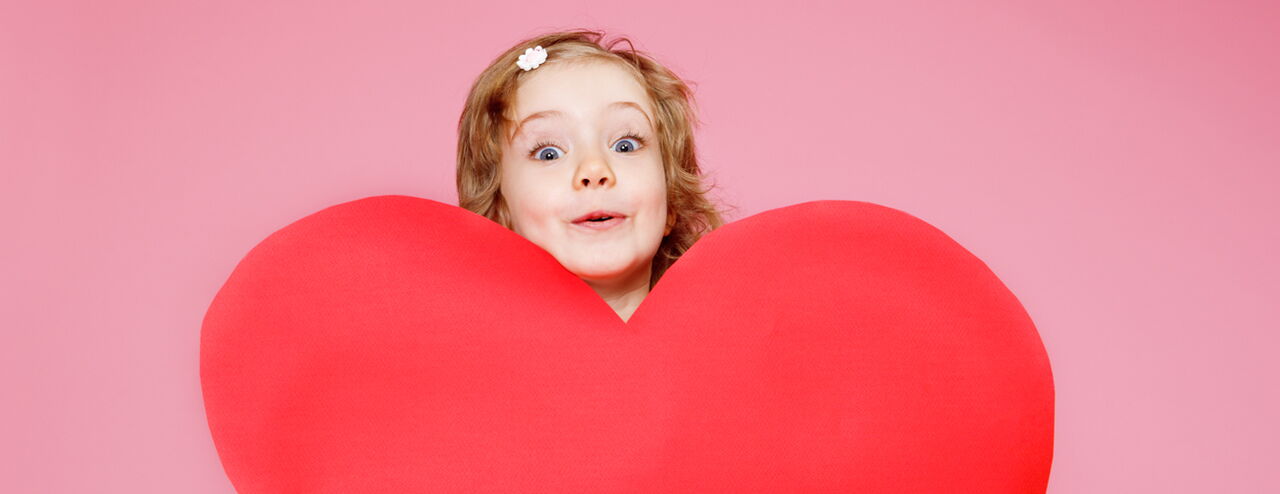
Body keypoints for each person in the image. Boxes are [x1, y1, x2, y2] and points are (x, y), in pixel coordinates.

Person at [456, 29, 731, 322]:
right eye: (549, 153)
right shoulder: (474, 358)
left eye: (625, 145)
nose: (594, 170)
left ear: (672, 201)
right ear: (500, 212)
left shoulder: (726, 339)